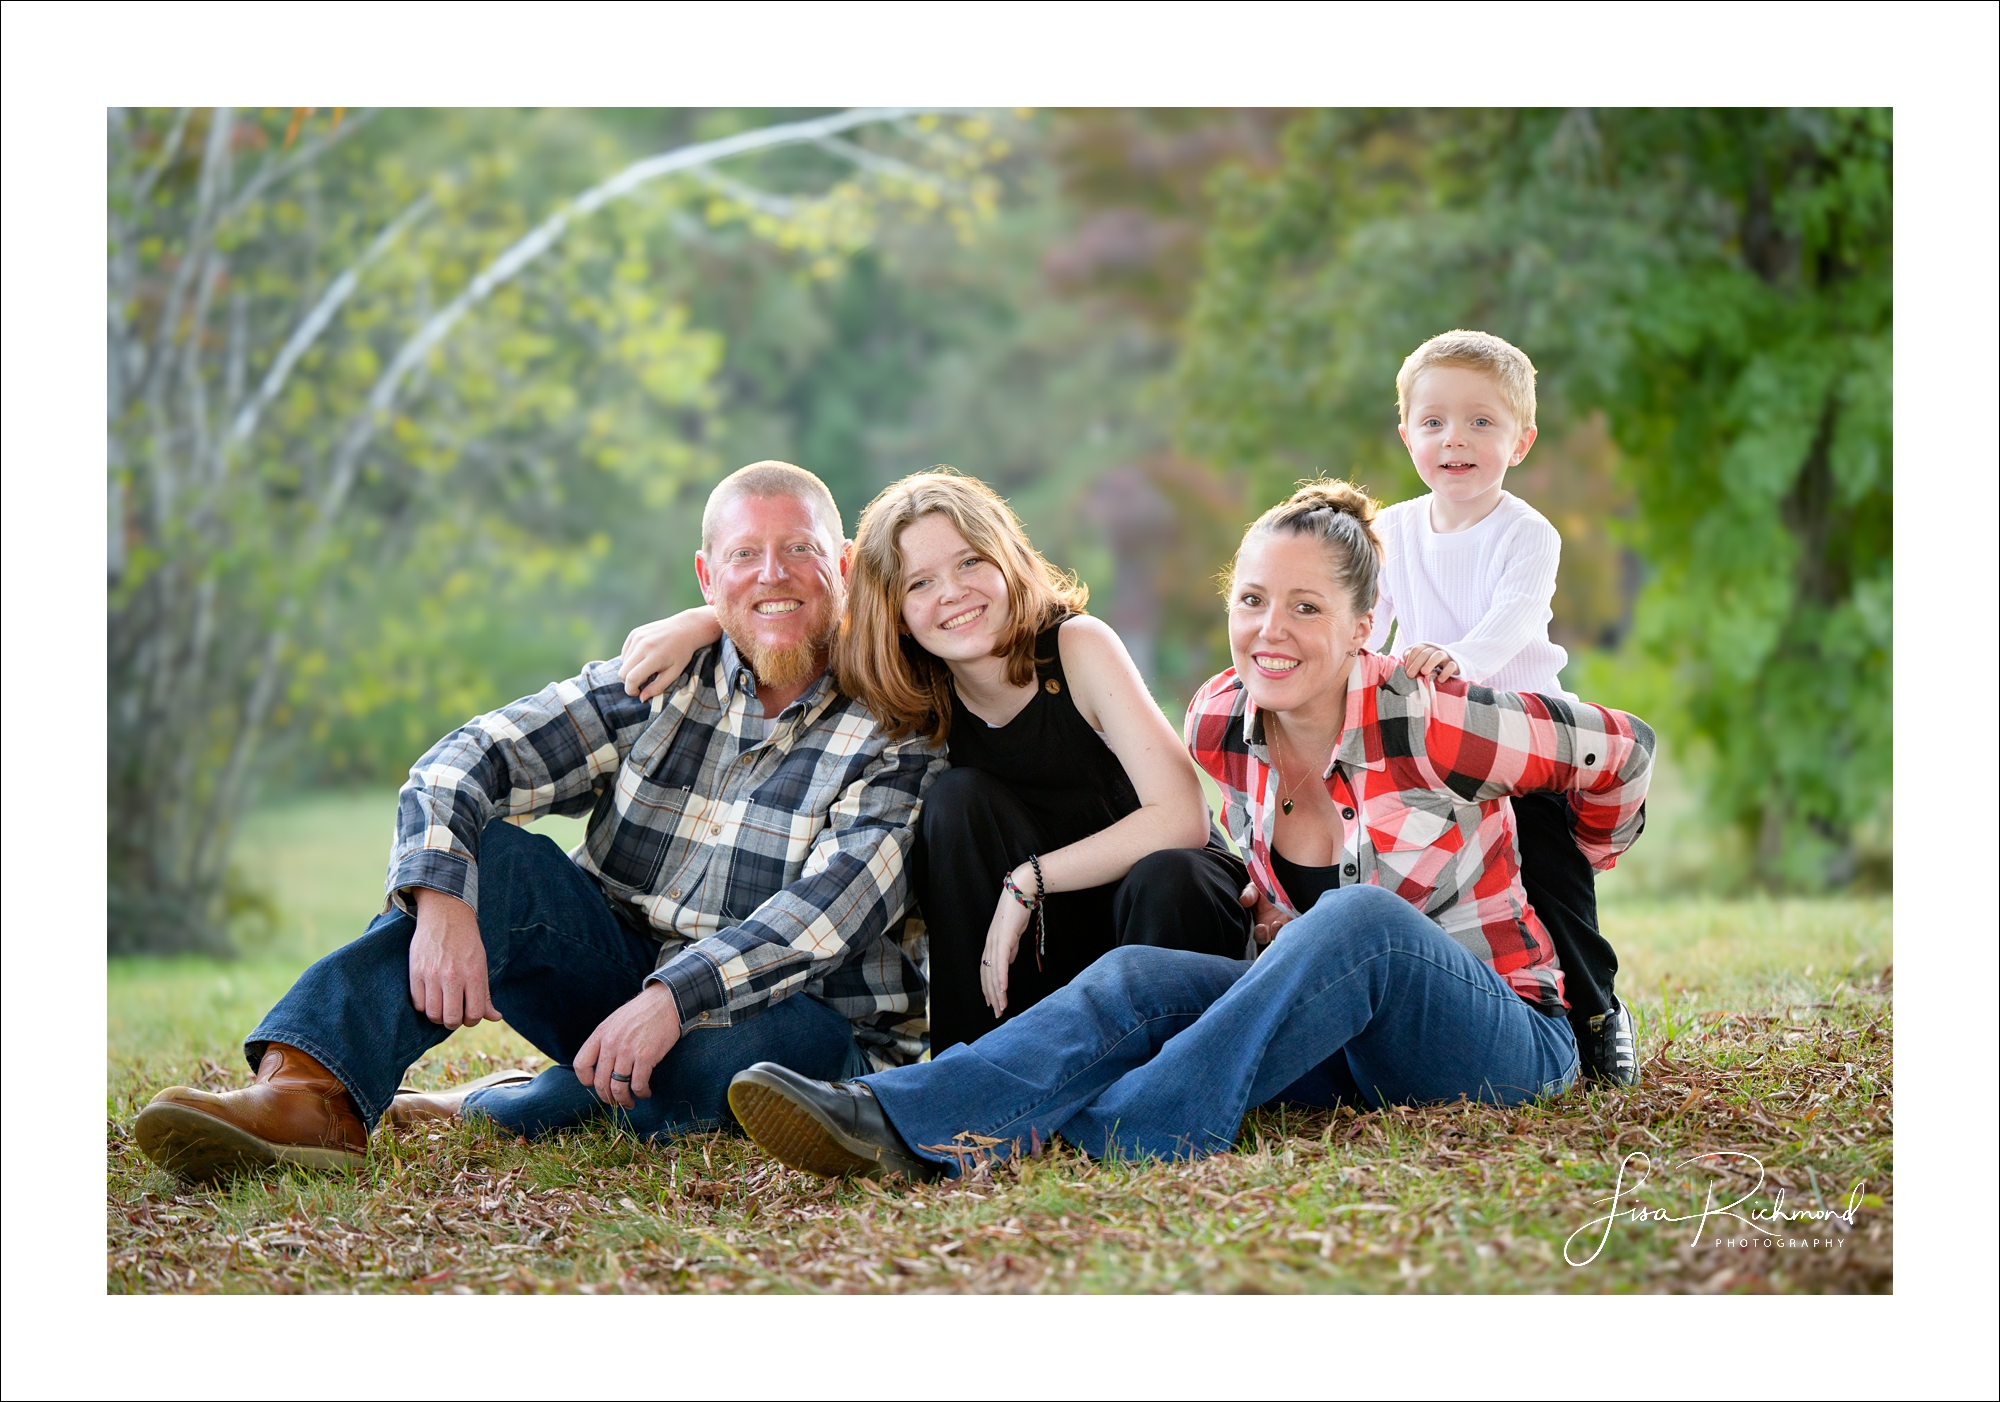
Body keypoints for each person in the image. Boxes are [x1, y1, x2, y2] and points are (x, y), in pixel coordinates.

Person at [722, 479, 1654, 1182]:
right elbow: (811, 630)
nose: (1269, 631)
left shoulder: (1427, 716)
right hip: (1343, 1043)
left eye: (1305, 607)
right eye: (1251, 602)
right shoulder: (1225, 718)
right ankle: (891, 1119)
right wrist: (704, 621)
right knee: (1140, 978)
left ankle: (1133, 1121)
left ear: (1364, 624)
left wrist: (1567, 860)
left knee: (1361, 920)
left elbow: (1625, 754)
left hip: (1499, 1040)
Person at [132, 461, 944, 1182]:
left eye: (799, 549)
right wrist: (443, 901)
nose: (774, 573)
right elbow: (463, 759)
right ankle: (307, 1092)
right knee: (496, 860)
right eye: (744, 554)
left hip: (800, 1021)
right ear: (706, 575)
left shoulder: (898, 720)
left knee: (740, 1063)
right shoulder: (656, 679)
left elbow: (822, 922)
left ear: (841, 566)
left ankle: (508, 1107)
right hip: (615, 982)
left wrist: (670, 999)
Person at [620, 469, 1247, 1056]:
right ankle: (973, 1069)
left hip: (1165, 914)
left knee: (1166, 876)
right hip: (1046, 936)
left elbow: (1183, 819)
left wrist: (1029, 878)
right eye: (919, 583)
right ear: (895, 610)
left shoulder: (1076, 647)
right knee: (956, 800)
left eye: (970, 562)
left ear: (1007, 559)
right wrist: (701, 621)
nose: (953, 594)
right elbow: (798, 611)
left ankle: (1163, 1074)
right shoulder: (915, 687)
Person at [1370, 328, 1636, 1083]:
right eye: (1434, 422)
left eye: (1481, 422)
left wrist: (1458, 662)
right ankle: (1469, 1013)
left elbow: (1512, 620)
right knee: (1427, 874)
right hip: (1432, 738)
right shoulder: (1389, 531)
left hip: (1523, 736)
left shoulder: (1527, 534)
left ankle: (1596, 1011)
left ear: (1520, 442)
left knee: (1547, 868)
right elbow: (1368, 617)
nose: (1455, 439)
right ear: (1406, 434)